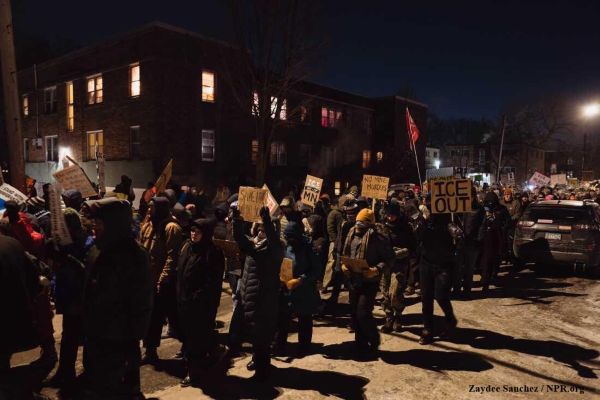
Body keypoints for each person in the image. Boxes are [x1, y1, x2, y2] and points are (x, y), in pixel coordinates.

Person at [81, 198, 153, 399]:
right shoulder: (98, 248)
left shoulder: (134, 255)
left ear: (113, 224)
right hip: (96, 333)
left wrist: (133, 336)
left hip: (119, 338)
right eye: (94, 222)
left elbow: (142, 300)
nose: (94, 227)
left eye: (99, 223)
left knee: (119, 389)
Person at [230, 206, 283, 381]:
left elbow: (273, 240)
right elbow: (239, 238)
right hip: (248, 296)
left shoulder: (275, 248)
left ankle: (262, 371)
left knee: (262, 336)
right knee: (253, 334)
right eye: (258, 229)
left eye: (264, 230)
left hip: (264, 299)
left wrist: (266, 220)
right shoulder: (253, 245)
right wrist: (237, 219)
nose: (260, 233)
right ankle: (257, 359)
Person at [43, 208, 91, 392]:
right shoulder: (64, 242)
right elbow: (57, 268)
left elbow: (87, 271)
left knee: (83, 337)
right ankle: (65, 373)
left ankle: (86, 375)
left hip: (81, 297)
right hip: (68, 295)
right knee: (69, 337)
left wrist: (68, 258)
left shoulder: (87, 242)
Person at [176, 218, 225, 386]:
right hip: (184, 301)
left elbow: (212, 283)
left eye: (198, 232)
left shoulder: (213, 252)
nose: (194, 234)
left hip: (201, 306)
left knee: (195, 339)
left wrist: (196, 298)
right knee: (191, 336)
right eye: (192, 230)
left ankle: (194, 372)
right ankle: (214, 350)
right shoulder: (187, 247)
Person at [341, 208, 393, 355]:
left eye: (362, 224)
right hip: (353, 279)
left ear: (369, 224)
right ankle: (360, 344)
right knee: (354, 313)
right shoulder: (351, 233)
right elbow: (345, 253)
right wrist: (344, 264)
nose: (358, 227)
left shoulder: (378, 238)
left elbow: (390, 259)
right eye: (357, 223)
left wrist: (376, 269)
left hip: (369, 281)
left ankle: (374, 339)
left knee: (363, 313)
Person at [139, 196, 184, 363]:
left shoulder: (171, 228)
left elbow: (172, 257)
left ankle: (191, 347)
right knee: (152, 318)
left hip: (164, 282)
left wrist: (162, 279)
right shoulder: (149, 225)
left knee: (174, 317)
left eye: (152, 207)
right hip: (149, 280)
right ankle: (150, 351)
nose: (149, 210)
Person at [276, 221, 321, 357]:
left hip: (304, 290)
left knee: (304, 319)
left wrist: (301, 280)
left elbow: (317, 271)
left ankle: (304, 347)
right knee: (283, 318)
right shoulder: (286, 247)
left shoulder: (309, 248)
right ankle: (279, 345)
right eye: (287, 237)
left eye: (292, 238)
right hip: (287, 289)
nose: (289, 240)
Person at [416, 209, 458, 345]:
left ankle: (450, 319)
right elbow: (417, 237)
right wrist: (423, 221)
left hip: (444, 264)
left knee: (441, 295)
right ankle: (427, 329)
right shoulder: (424, 221)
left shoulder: (449, 219)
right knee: (426, 298)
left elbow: (460, 238)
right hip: (426, 262)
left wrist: (456, 233)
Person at [380, 200, 415, 333]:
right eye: (388, 215)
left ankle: (398, 315)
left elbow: (412, 247)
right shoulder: (381, 226)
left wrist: (399, 252)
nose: (390, 218)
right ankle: (389, 317)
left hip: (399, 264)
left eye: (392, 215)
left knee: (395, 292)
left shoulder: (405, 227)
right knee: (385, 292)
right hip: (385, 265)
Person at [479, 192, 510, 292]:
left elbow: (507, 222)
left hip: (498, 238)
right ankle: (485, 281)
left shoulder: (502, 209)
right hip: (486, 239)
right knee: (486, 261)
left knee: (496, 259)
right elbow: (479, 223)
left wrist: (500, 226)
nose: (490, 203)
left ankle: (493, 275)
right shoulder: (483, 209)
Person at [322, 196, 344, 293]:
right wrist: (335, 241)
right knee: (331, 262)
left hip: (338, 241)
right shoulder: (334, 213)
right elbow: (330, 229)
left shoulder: (338, 213)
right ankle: (325, 284)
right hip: (335, 242)